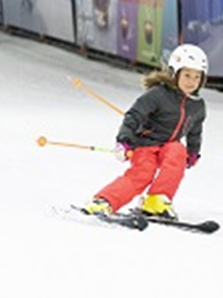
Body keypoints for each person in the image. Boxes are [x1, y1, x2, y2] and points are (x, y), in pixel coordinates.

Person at [83, 44, 209, 220]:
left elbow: (195, 130)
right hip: (145, 145)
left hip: (168, 147)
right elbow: (134, 115)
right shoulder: (158, 94)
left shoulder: (197, 105)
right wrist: (124, 140)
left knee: (178, 151)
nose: (192, 81)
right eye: (187, 75)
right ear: (175, 73)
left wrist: (193, 152)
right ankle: (104, 201)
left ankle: (157, 200)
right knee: (143, 174)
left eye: (197, 77)